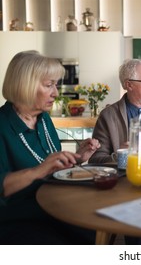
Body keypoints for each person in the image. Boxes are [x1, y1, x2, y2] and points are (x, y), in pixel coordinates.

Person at [0, 50, 101, 245]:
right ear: (25, 86)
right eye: (49, 85)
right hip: (18, 220)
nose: (55, 93)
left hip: (55, 207)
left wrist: (77, 158)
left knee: (94, 232)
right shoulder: (3, 126)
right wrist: (39, 170)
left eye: (56, 85)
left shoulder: (44, 119)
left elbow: (50, 166)